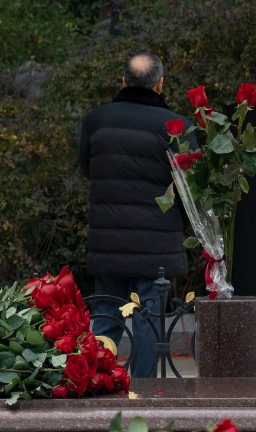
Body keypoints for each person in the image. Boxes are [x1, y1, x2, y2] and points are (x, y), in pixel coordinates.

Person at [76, 53, 189, 377]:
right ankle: (144, 391)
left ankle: (98, 381)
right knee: (149, 320)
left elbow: (88, 168)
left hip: (108, 238)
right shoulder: (175, 126)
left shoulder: (96, 120)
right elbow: (188, 185)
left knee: (107, 316)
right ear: (160, 84)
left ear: (123, 81)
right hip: (156, 242)